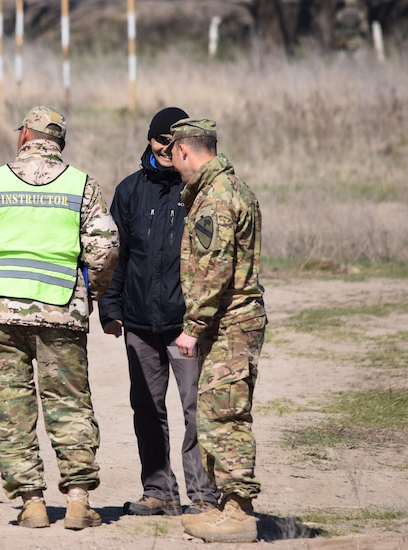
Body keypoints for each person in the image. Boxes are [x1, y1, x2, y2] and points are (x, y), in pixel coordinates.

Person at [0, 106, 119, 530]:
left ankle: (31, 502)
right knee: (69, 403)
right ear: (59, 141)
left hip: (1, 313)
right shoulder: (83, 185)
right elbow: (105, 248)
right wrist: (88, 293)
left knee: (10, 408)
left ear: (24, 135)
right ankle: (78, 501)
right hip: (62, 311)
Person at [98, 107, 220, 518]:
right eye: (159, 139)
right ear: (149, 140)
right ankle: (159, 492)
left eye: (174, 140)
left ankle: (204, 496)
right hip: (137, 322)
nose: (166, 148)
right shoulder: (129, 190)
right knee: (147, 408)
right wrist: (110, 308)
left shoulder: (201, 193)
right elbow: (115, 255)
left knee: (196, 410)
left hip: (186, 325)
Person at [167, 118, 267, 543]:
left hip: (229, 323)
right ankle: (228, 506)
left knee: (225, 416)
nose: (172, 165)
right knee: (214, 412)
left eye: (172, 155)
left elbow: (213, 270)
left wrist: (193, 327)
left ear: (185, 151)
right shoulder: (229, 188)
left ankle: (240, 513)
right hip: (228, 322)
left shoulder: (215, 199)